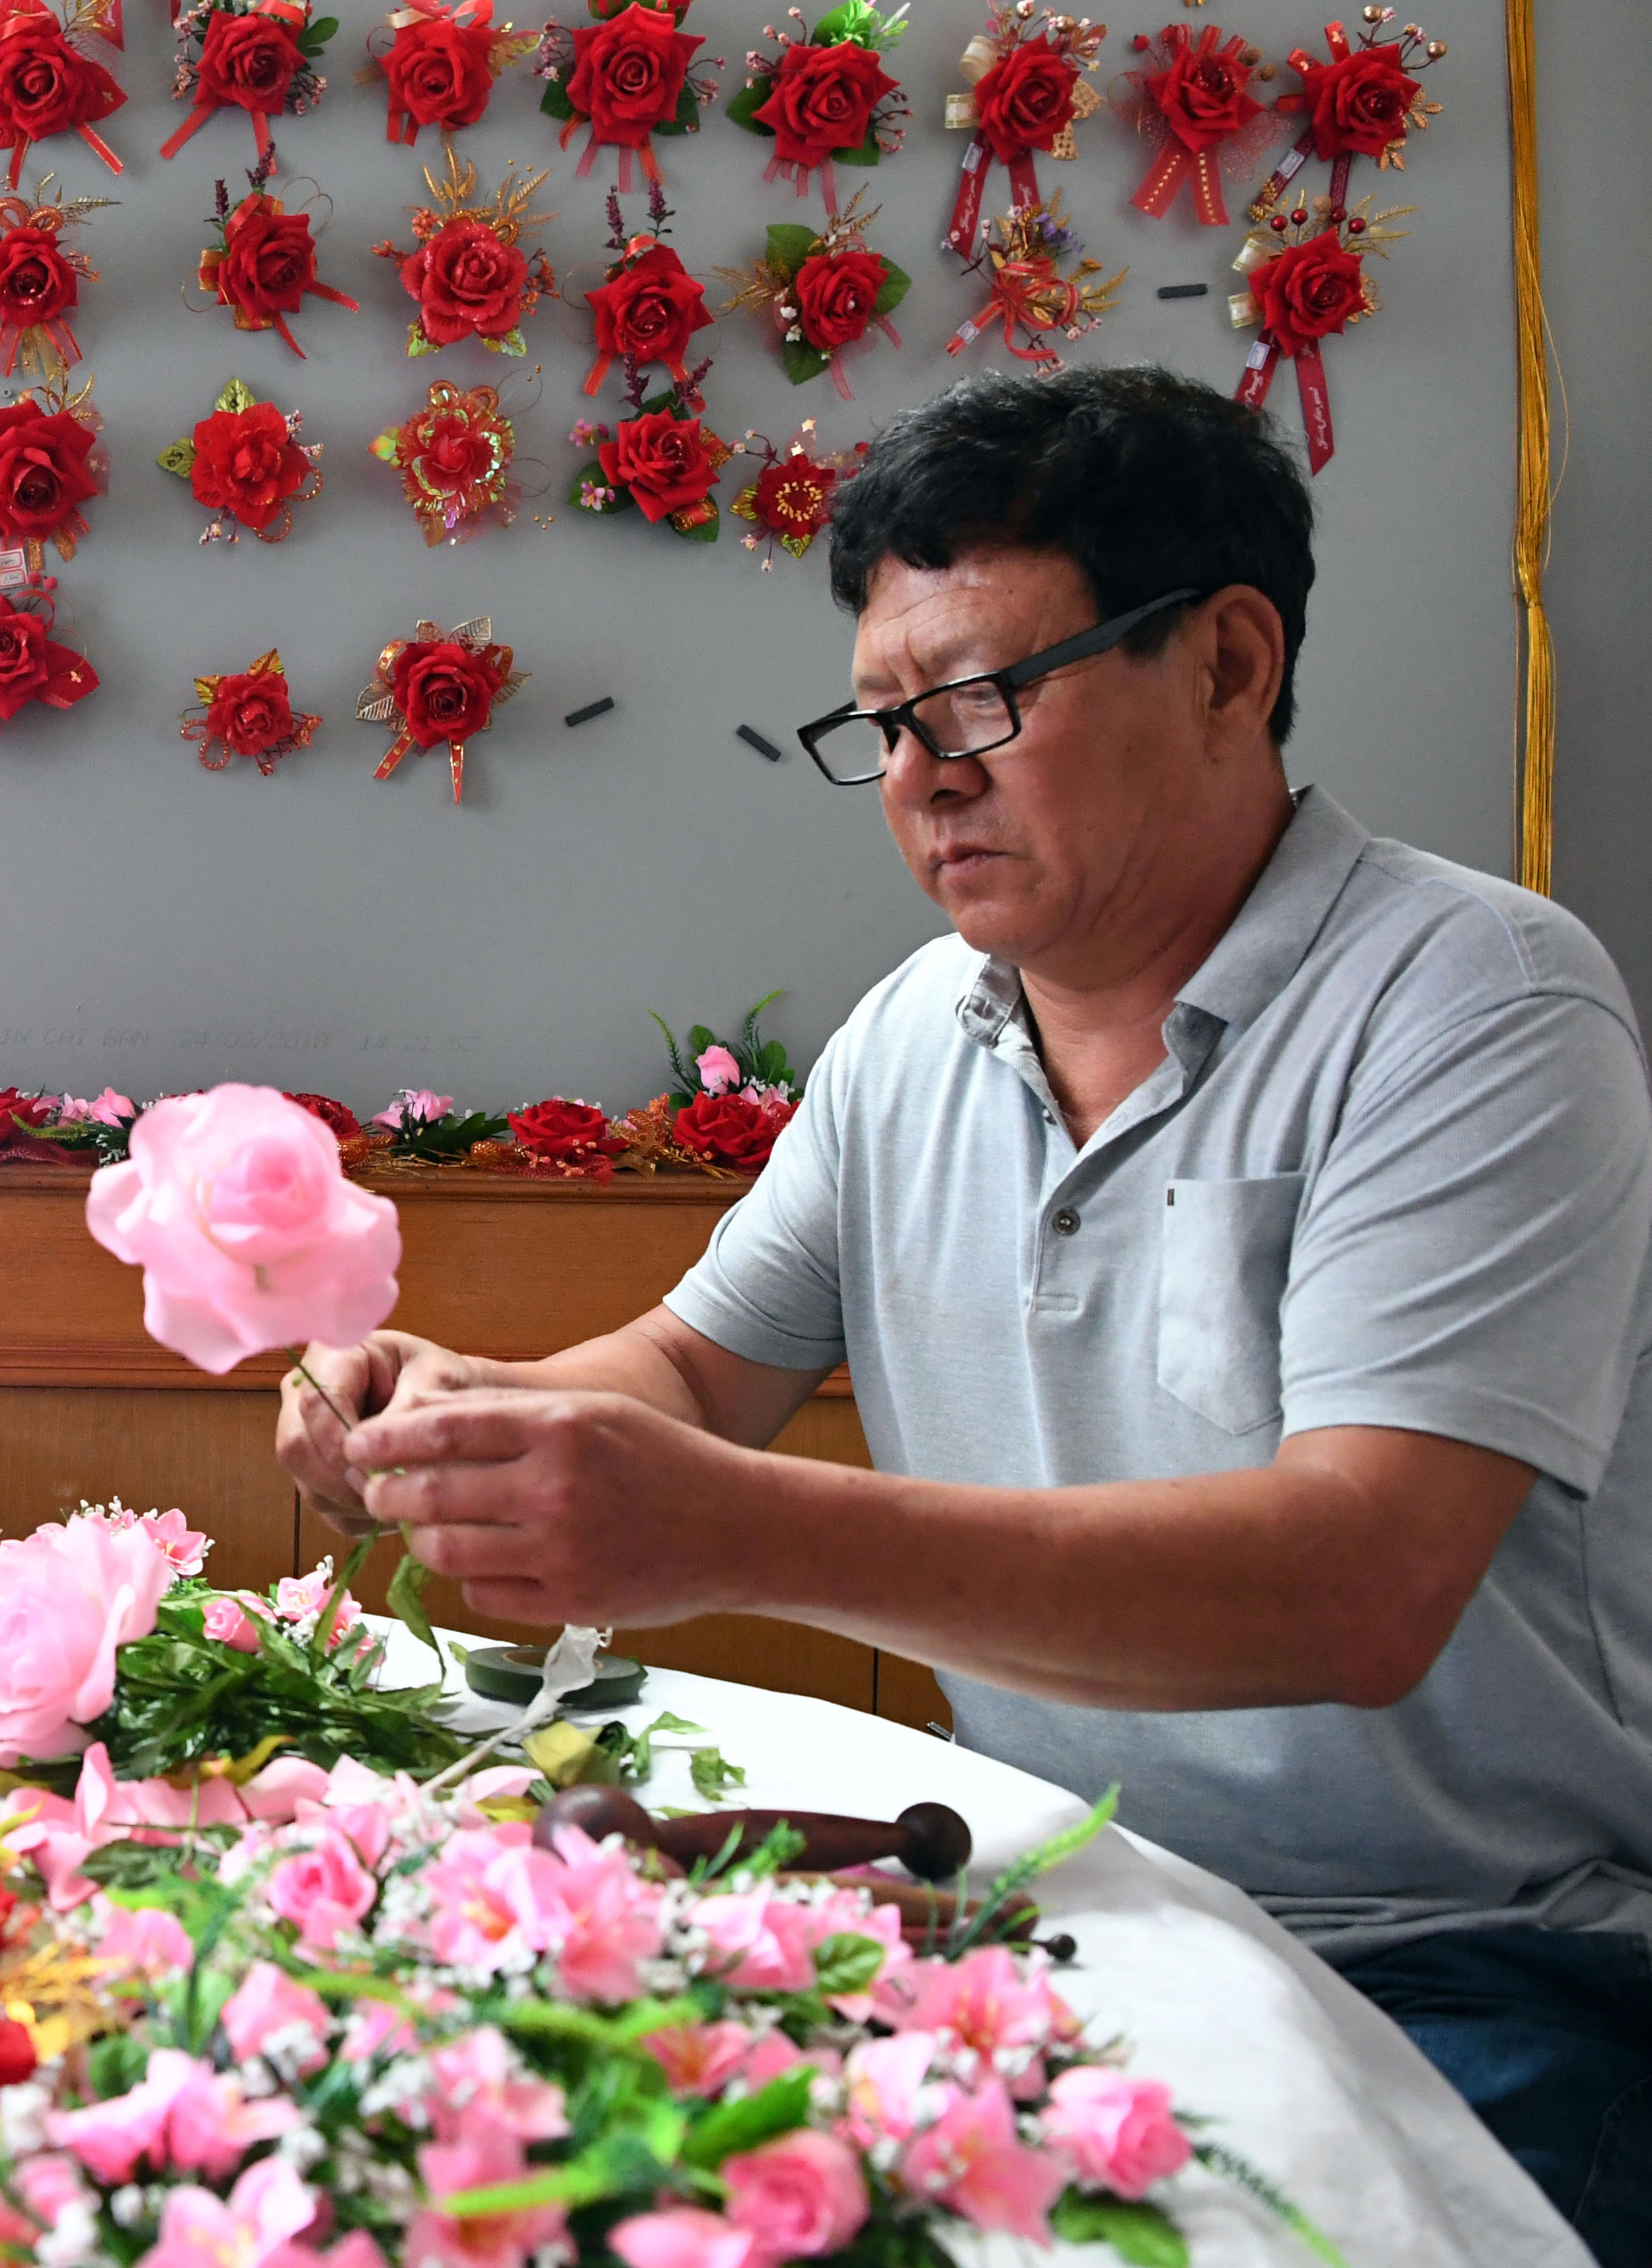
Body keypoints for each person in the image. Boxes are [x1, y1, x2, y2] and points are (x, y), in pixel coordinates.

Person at [279, 364, 1651, 2255]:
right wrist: (454, 1420)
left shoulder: (1477, 1005)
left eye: (988, 698)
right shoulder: (917, 1031)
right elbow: (691, 1370)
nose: (927, 776)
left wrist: (727, 1533)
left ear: (1230, 665)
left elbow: (1359, 1582)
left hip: (1467, 1966)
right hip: (1065, 1913)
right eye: (887, 724)